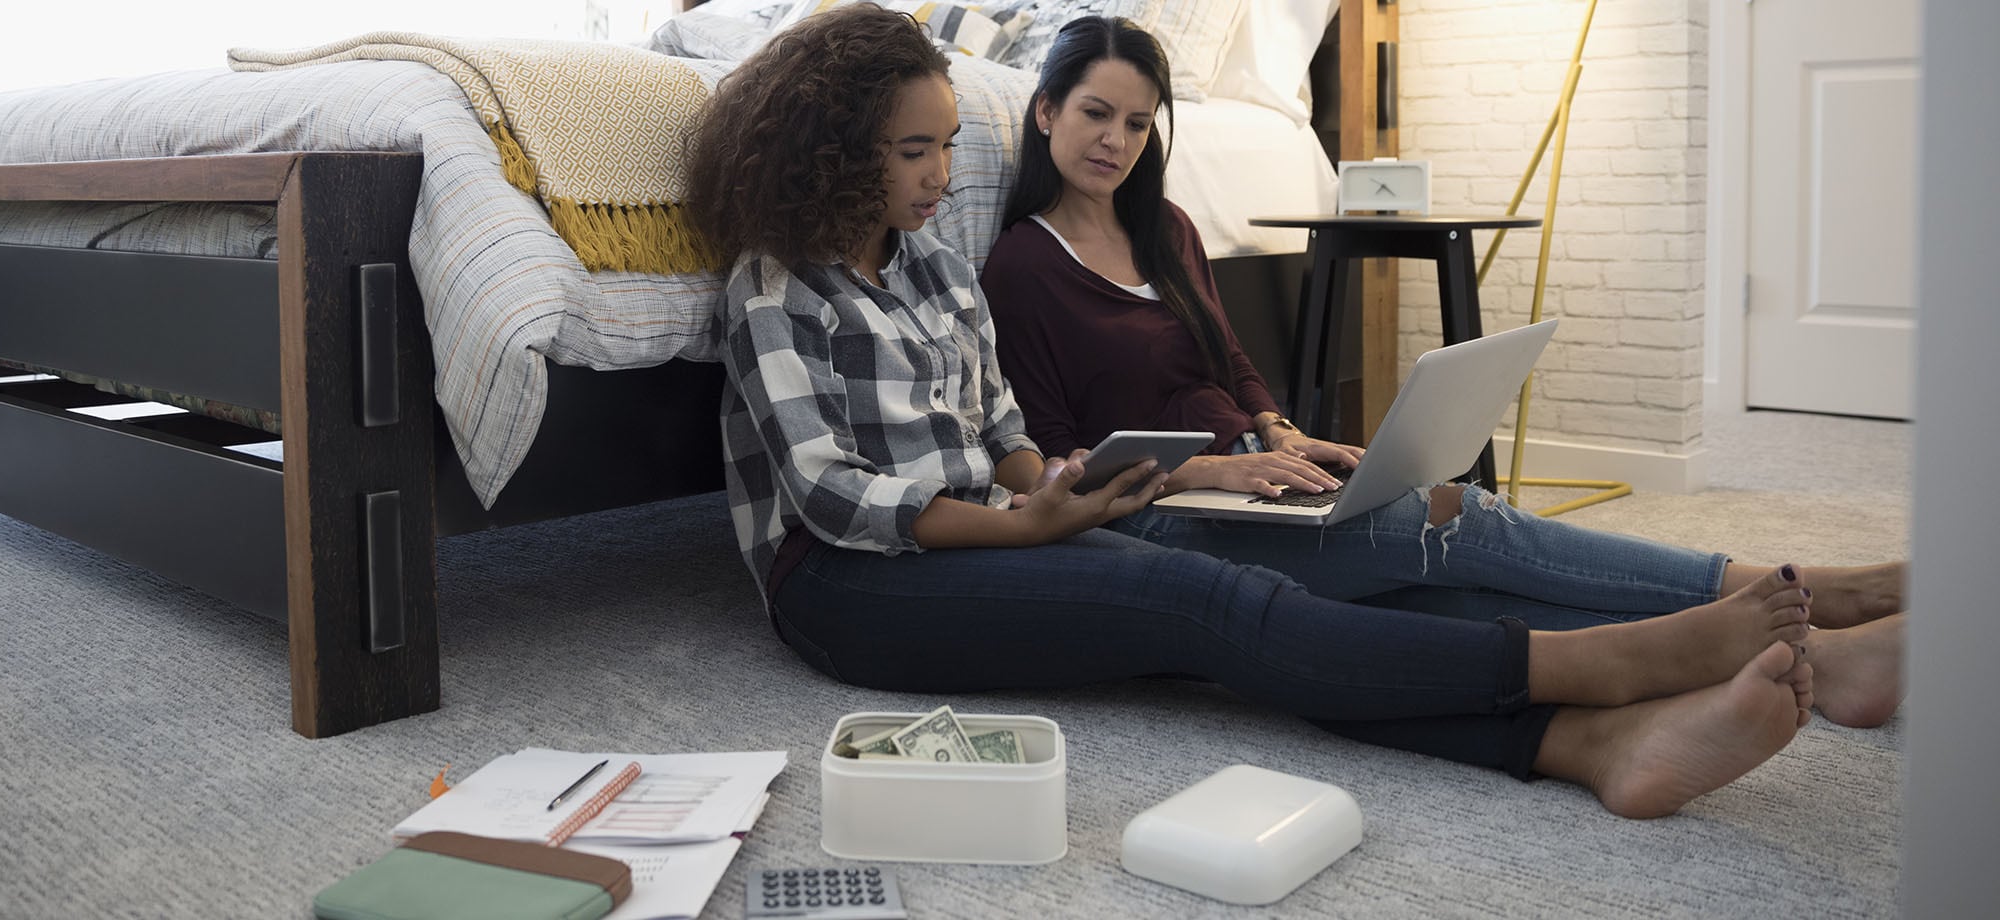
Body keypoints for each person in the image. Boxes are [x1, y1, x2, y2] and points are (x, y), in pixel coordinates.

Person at [686, 2, 1826, 820]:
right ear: (833, 156)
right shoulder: (775, 286)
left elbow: (1000, 427)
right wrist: (1025, 525)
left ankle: (1589, 742)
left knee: (1243, 607)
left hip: (984, 531)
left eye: (943, 144)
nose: (941, 172)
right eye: (913, 151)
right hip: (849, 589)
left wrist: (1058, 487)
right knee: (1195, 598)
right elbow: (835, 497)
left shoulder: (933, 265)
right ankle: (1593, 670)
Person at [977, 15, 1904, 731]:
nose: (1118, 140)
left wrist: (1276, 428)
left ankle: (1814, 653)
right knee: (1452, 516)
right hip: (1169, 520)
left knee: (1439, 592)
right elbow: (1055, 462)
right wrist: (1205, 473)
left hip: (1260, 478)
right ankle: (1807, 589)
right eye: (1096, 113)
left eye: (1139, 123)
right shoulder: (1022, 267)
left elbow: (1234, 361)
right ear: (1046, 109)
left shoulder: (1167, 228)